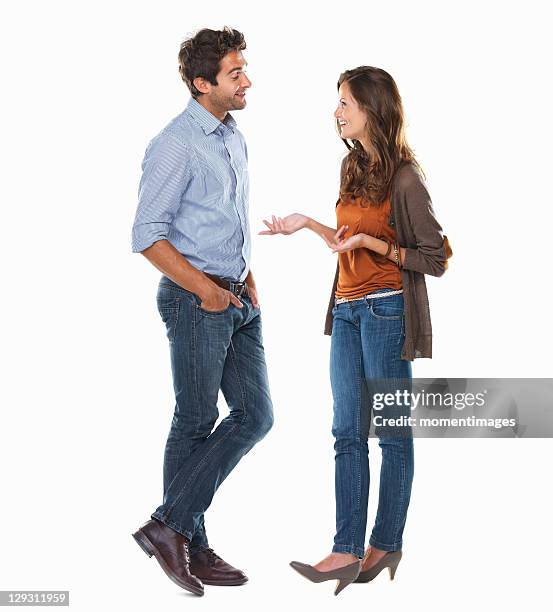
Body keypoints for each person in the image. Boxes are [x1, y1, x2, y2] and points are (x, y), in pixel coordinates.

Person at [260, 66, 450, 595]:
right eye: (337, 102)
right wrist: (308, 225)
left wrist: (377, 248)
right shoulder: (351, 166)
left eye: (344, 102)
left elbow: (436, 257)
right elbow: (348, 239)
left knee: (391, 435)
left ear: (372, 108)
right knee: (346, 433)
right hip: (345, 310)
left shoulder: (406, 177)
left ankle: (386, 541)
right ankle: (346, 549)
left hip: (387, 312)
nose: (336, 111)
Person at [130, 27, 273, 597]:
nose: (247, 81)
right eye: (235, 74)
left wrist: (244, 277)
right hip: (196, 299)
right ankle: (184, 537)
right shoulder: (175, 143)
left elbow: (226, 217)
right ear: (201, 83)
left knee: (255, 415)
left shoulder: (233, 137)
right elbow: (147, 235)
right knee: (194, 420)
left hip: (238, 294)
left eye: (244, 70)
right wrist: (205, 290)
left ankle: (172, 529)